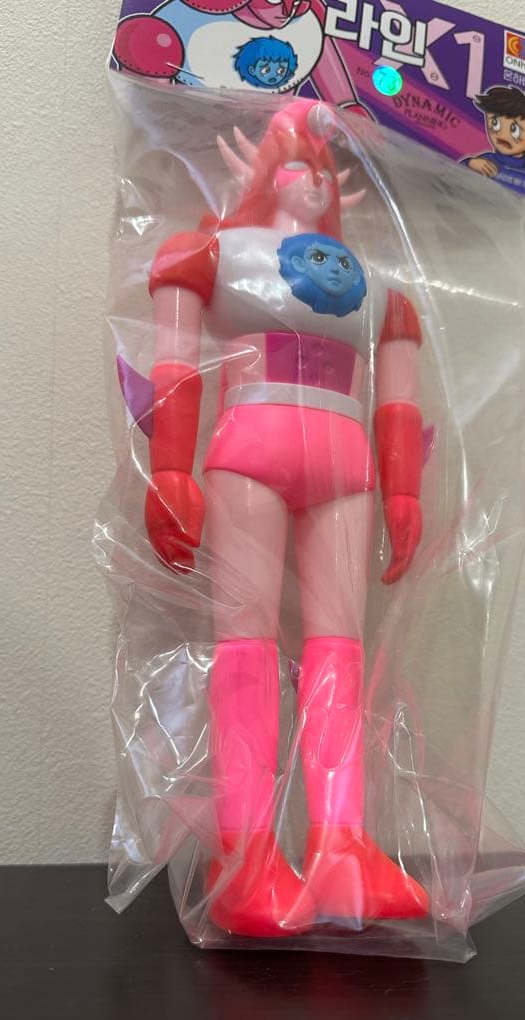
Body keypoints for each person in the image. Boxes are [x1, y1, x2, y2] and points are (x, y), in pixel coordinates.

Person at [131, 100, 430, 936]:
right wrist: (168, 470)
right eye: (299, 165)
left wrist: (404, 494)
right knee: (247, 646)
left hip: (346, 467)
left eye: (327, 170)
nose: (316, 181)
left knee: (340, 650)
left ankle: (341, 846)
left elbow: (399, 405)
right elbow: (173, 364)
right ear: (264, 173)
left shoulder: (380, 291)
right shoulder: (211, 254)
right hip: (251, 448)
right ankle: (246, 853)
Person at [464, 85, 525, 201]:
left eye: (514, 130)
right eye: (495, 123)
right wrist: (469, 163)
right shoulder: (486, 159)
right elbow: (456, 176)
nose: (502, 135)